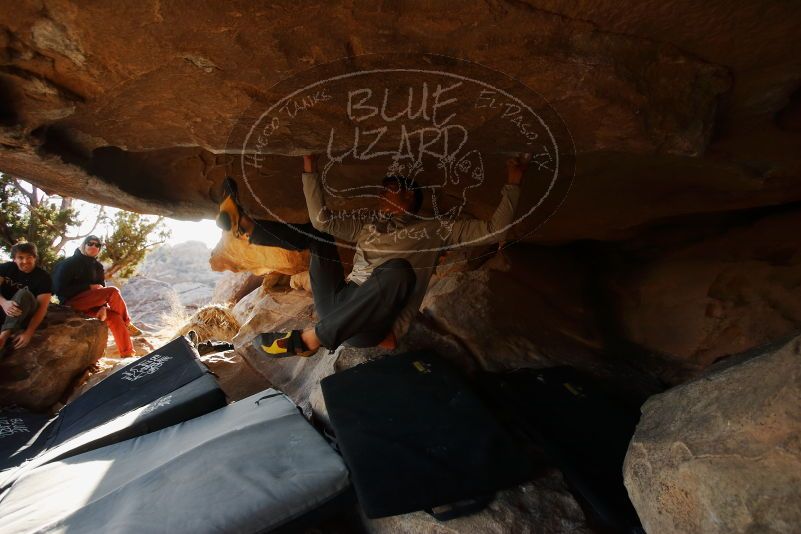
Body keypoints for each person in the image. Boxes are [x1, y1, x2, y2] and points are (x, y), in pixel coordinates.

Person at [217, 154, 527, 358]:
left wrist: (513, 181)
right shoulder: (368, 226)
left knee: (398, 270)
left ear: (407, 196)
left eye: (388, 189)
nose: (380, 194)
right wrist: (310, 169)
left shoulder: (434, 230)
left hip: (372, 325)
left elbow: (495, 229)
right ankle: (247, 228)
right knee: (321, 235)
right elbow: (322, 220)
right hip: (339, 304)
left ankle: (307, 341)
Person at [53, 235, 138, 357]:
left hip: (91, 307)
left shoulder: (98, 267)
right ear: (84, 245)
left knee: (115, 317)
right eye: (90, 243)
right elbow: (59, 290)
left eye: (97, 245)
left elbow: (101, 290)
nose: (93, 246)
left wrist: (103, 307)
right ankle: (128, 323)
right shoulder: (68, 263)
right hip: (71, 304)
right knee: (113, 291)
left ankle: (127, 354)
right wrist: (88, 287)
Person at [0, 242, 53, 356]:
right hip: (4, 309)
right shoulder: (6, 268)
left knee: (23, 294)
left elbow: (42, 308)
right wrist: (4, 303)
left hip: (24, 314)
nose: (25, 261)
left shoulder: (43, 277)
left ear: (34, 258)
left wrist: (29, 332)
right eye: (20, 258)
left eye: (29, 257)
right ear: (14, 259)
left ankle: (5, 334)